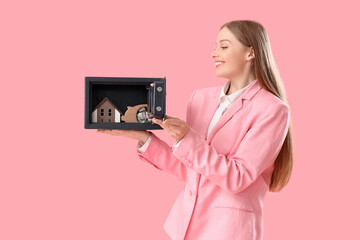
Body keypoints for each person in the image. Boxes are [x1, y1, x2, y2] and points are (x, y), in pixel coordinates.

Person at [97, 19, 293, 240]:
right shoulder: (199, 98)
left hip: (228, 232)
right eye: (215, 46)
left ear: (250, 53)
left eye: (224, 46)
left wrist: (186, 137)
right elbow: (191, 171)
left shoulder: (273, 109)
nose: (214, 53)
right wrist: (145, 138)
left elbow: (237, 177)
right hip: (184, 227)